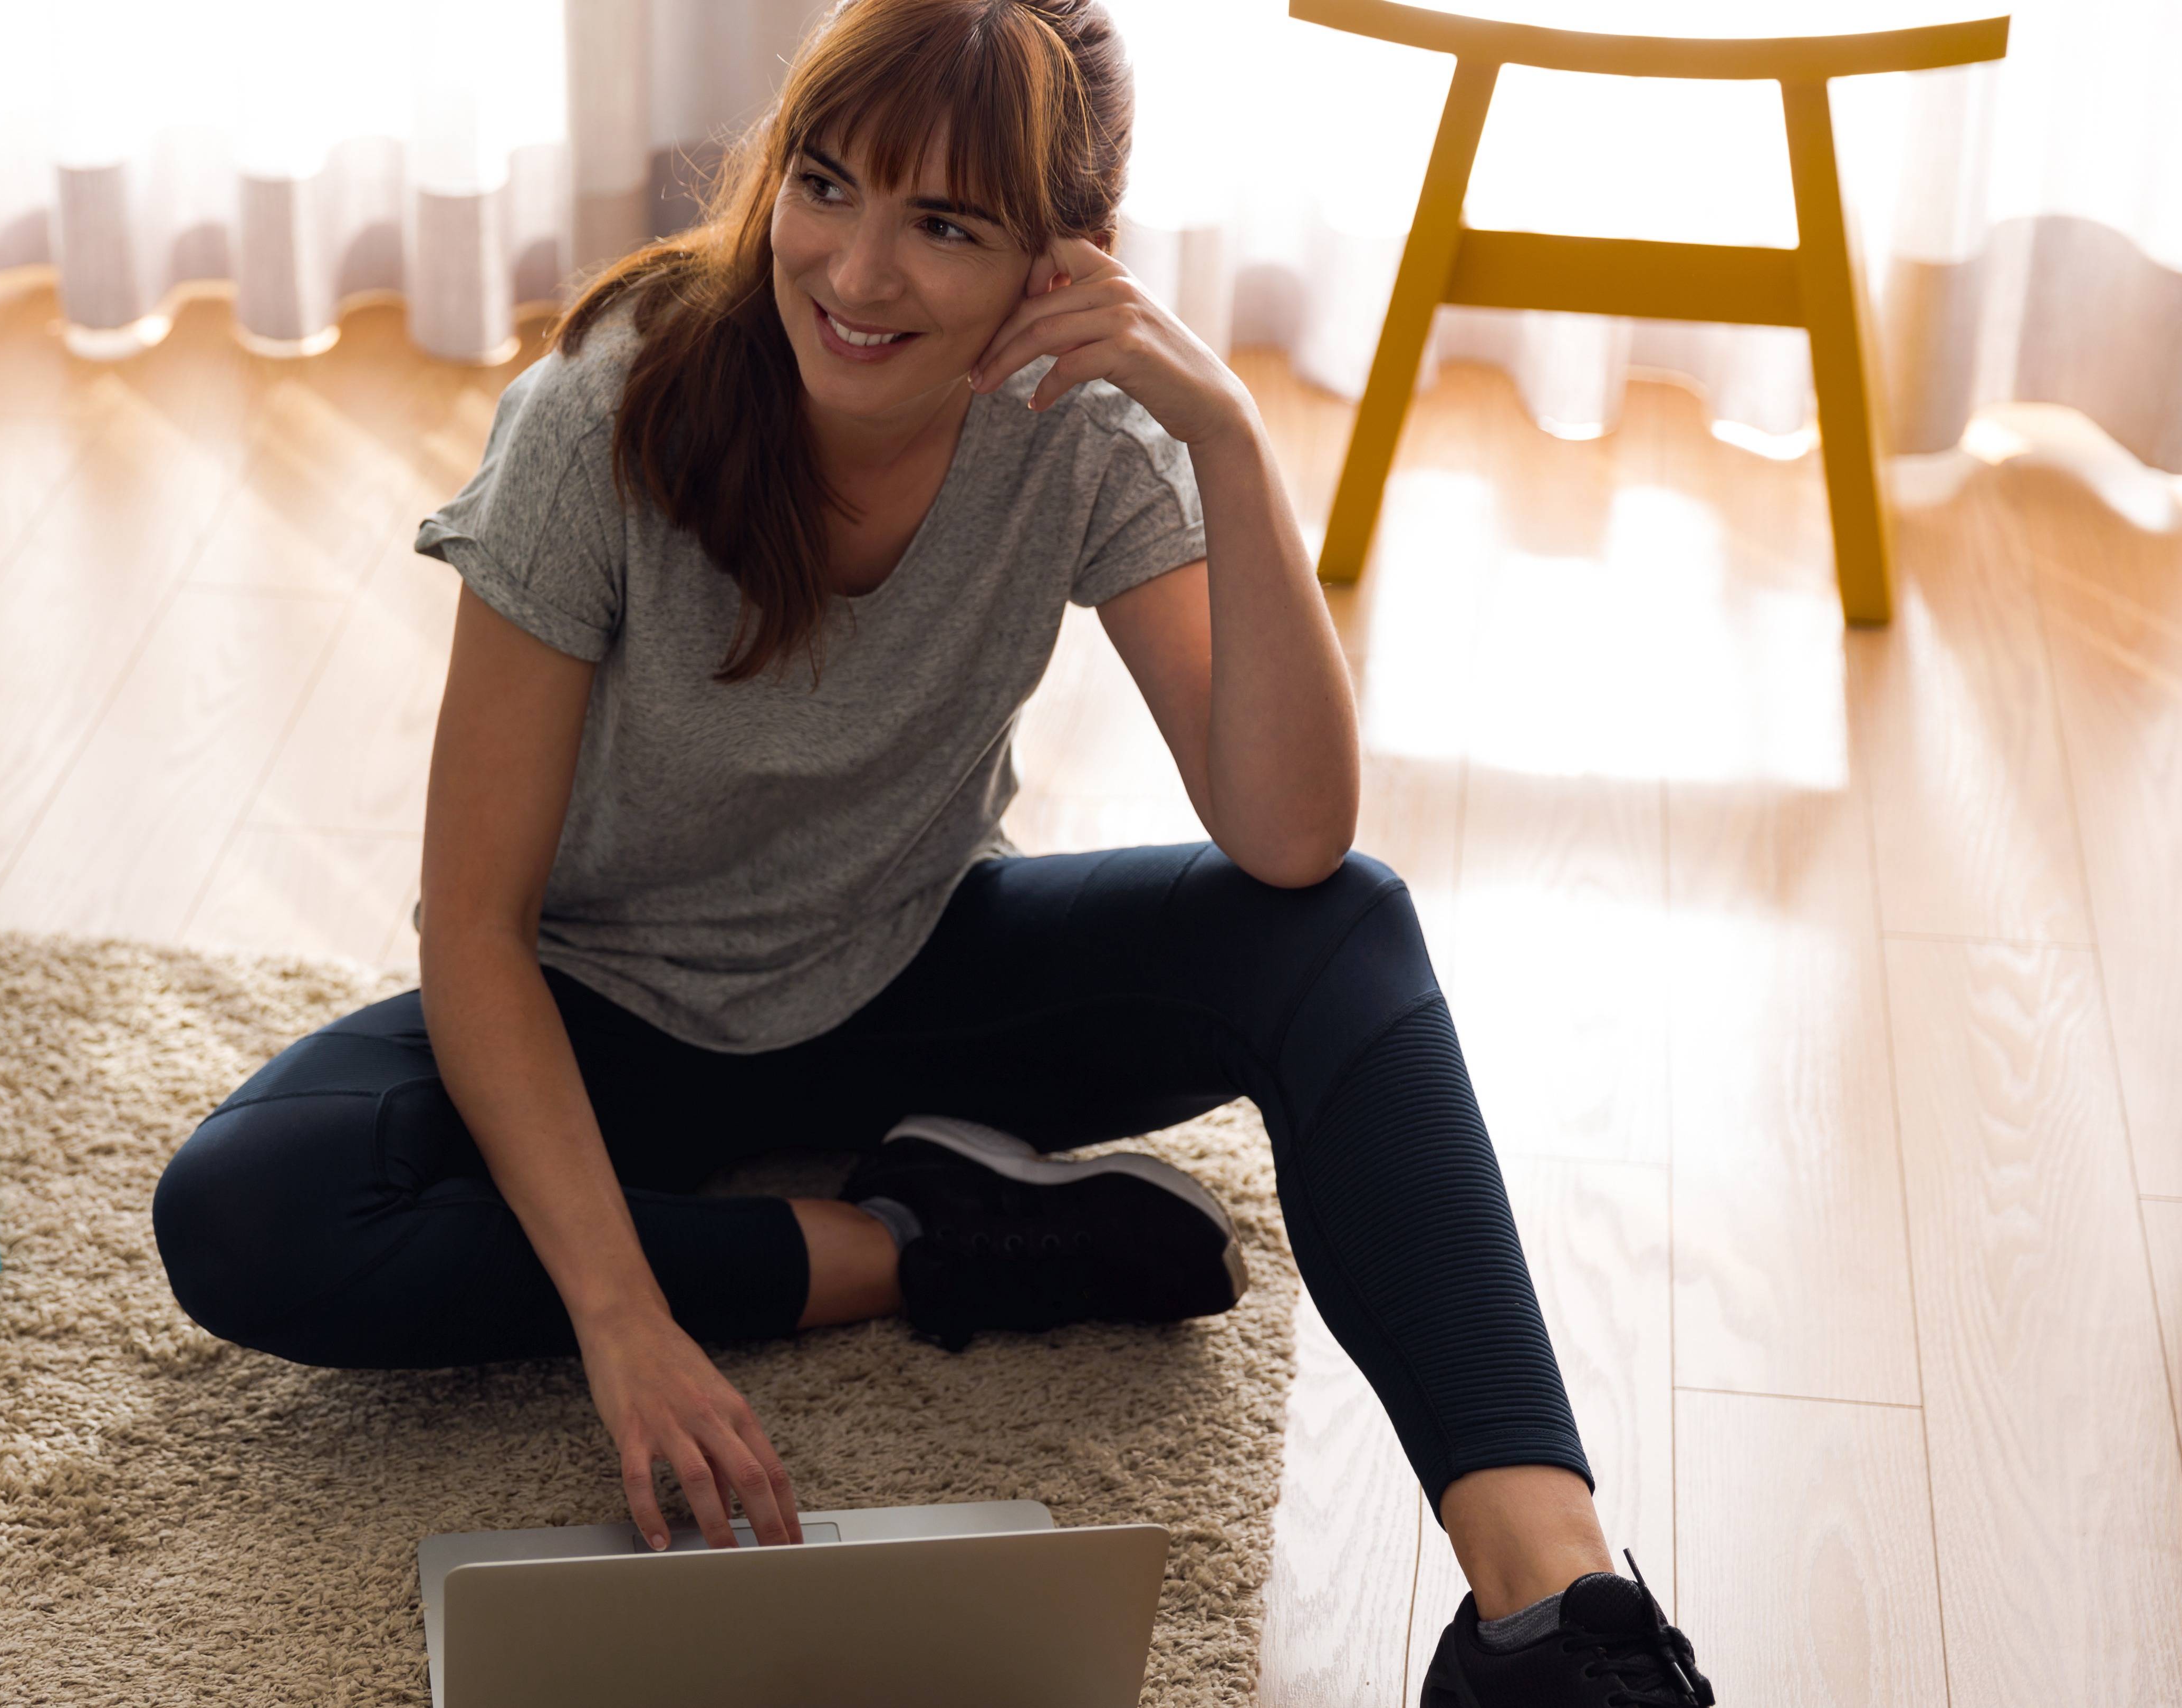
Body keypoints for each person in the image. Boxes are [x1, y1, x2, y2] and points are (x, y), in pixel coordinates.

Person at [154, 2, 1714, 1701]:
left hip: (911, 975)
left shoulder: (1082, 430)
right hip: (607, 1019)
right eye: (827, 187)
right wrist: (626, 1320)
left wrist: (1229, 440)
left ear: (1063, 265)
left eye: (946, 226)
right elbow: (472, 925)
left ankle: (1553, 1615)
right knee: (246, 1215)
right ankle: (930, 1240)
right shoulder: (597, 418)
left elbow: (1287, 833)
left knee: (1340, 930)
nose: (855, 273)